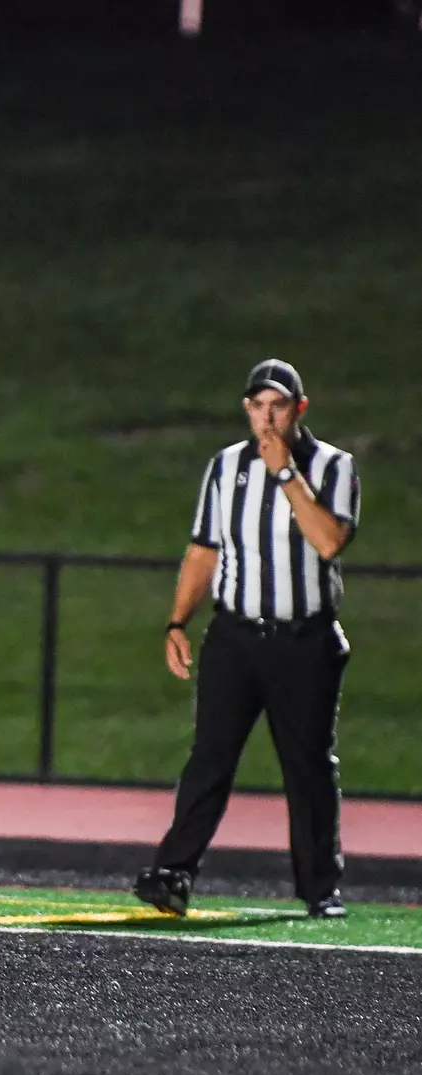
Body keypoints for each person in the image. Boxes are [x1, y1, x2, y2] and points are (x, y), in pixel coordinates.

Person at [135, 359, 360, 919]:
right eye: (258, 405)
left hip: (304, 639)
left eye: (278, 404)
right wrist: (176, 622)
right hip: (235, 636)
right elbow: (204, 549)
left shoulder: (333, 466)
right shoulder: (226, 467)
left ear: (298, 409)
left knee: (307, 764)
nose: (266, 416)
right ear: (246, 408)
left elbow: (328, 541)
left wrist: (285, 473)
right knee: (210, 756)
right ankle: (173, 872)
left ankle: (318, 888)